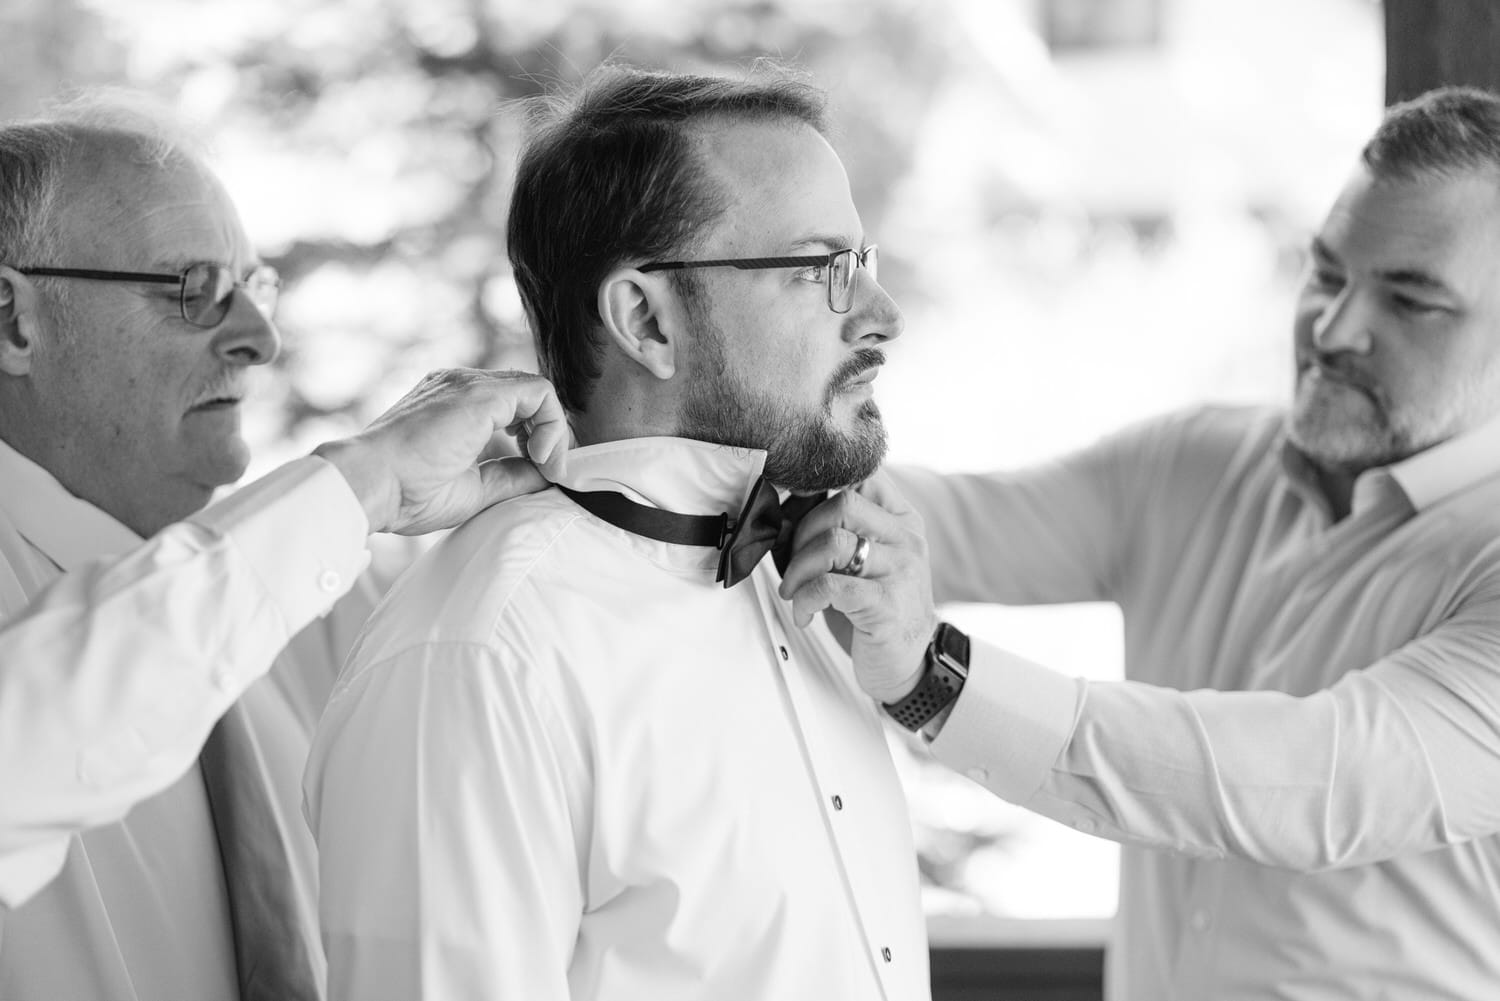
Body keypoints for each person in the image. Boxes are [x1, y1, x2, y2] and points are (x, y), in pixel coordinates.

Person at [780, 85, 1500, 999]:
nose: (1332, 328)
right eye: (1327, 272)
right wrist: (652, 449)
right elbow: (930, 525)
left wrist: (935, 678)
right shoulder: (1195, 464)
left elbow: (1316, 782)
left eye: (1410, 300)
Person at [304, 65, 929, 1001]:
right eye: (818, 269)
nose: (882, 317)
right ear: (645, 318)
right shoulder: (480, 658)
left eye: (864, 263)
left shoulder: (809, 587)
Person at [0, 103, 568, 1001]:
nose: (259, 340)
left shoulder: (319, 600)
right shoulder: (284, 558)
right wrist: (364, 477)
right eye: (192, 288)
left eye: (254, 287)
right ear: (13, 321)